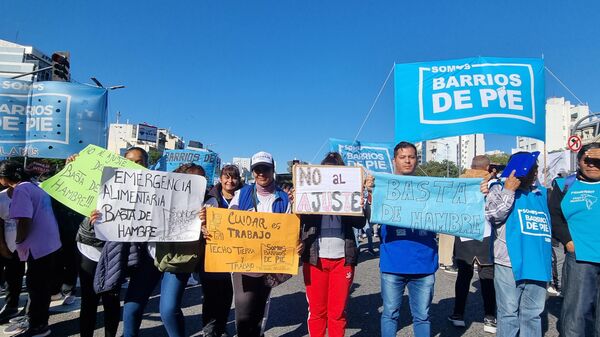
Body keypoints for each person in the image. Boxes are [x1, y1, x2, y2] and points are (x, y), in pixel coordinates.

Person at [366, 141, 438, 337]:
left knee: (422, 316)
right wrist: (369, 191)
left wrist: (477, 191)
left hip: (424, 264)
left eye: (412, 157)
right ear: (394, 160)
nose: (408, 161)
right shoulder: (382, 186)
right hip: (393, 263)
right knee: (390, 314)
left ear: (417, 160)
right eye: (403, 157)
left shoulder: (431, 188)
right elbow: (367, 215)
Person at [79, 147, 148, 337]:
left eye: (139, 162)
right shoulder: (105, 177)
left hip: (118, 251)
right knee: (89, 300)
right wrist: (74, 165)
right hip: (90, 248)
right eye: (129, 161)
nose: (134, 166)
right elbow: (78, 188)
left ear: (146, 164)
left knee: (111, 299)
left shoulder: (152, 188)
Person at [227, 151, 296, 337]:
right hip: (243, 263)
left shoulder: (283, 198)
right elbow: (227, 223)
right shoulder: (241, 194)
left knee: (259, 309)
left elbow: (290, 230)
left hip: (270, 263)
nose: (261, 173)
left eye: (265, 169)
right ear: (252, 172)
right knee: (243, 310)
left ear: (273, 170)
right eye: (257, 169)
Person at [484, 152, 551, 337]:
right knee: (508, 314)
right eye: (531, 169)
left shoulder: (542, 193)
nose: (535, 173)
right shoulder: (498, 188)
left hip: (537, 262)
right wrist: (509, 190)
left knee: (533, 314)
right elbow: (493, 215)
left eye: (536, 169)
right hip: (509, 262)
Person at [300, 152, 366, 337]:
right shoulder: (311, 194)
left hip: (343, 259)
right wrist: (297, 201)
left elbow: (360, 224)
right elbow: (300, 220)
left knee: (337, 312)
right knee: (317, 311)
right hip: (315, 259)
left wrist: (360, 205)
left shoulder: (349, 194)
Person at [0, 161, 62, 337]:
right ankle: (36, 320)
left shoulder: (21, 190)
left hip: (38, 247)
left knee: (37, 288)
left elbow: (24, 221)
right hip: (50, 245)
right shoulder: (35, 186)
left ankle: (38, 326)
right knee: (41, 287)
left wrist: (19, 242)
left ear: (6, 177)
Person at [154, 163, 214, 337]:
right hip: (155, 256)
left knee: (168, 309)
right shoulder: (161, 195)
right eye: (193, 179)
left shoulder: (209, 203)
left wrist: (206, 222)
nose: (198, 183)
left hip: (180, 260)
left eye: (202, 179)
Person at [550, 142, 600, 337]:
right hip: (580, 258)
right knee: (575, 313)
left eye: (598, 160)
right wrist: (568, 243)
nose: (592, 164)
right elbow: (554, 217)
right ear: (579, 161)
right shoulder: (564, 185)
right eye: (587, 160)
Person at [448, 155, 497, 333]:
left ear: (470, 166)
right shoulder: (493, 185)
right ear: (488, 168)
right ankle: (490, 318)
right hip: (486, 235)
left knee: (463, 276)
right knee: (487, 278)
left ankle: (458, 314)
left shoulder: (460, 184)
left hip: (464, 236)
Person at [201, 164, 244, 337]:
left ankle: (222, 327)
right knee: (211, 296)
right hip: (212, 255)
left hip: (234, 257)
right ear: (220, 179)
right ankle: (209, 330)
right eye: (226, 177)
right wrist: (202, 227)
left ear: (238, 180)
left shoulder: (245, 198)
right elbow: (196, 222)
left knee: (227, 295)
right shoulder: (209, 198)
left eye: (234, 177)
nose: (230, 181)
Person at [0, 186, 26, 324]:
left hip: (20, 247)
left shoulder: (27, 195)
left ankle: (12, 306)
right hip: (5, 246)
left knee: (14, 277)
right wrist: (2, 246)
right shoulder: (1, 198)